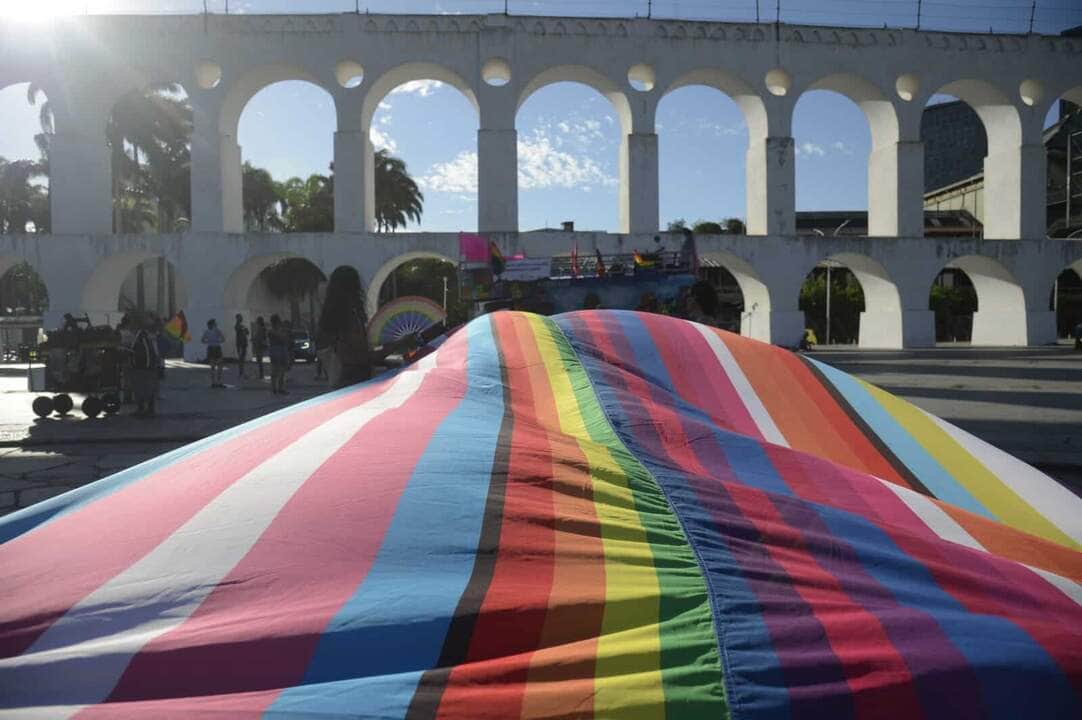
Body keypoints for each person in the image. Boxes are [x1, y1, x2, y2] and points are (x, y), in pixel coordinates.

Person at [317, 265, 414, 390]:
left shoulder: (333, 318)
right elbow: (365, 356)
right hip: (355, 379)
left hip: (343, 380)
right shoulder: (350, 317)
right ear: (354, 288)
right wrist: (399, 343)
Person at [129, 326, 160, 417]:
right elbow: (154, 355)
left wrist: (134, 365)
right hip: (149, 369)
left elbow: (135, 353)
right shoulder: (149, 341)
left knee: (141, 390)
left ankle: (142, 409)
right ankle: (149, 409)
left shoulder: (139, 341)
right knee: (148, 390)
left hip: (141, 369)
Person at [267, 314, 290, 395]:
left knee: (281, 370)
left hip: (280, 351)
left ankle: (279, 388)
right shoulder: (272, 331)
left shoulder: (278, 330)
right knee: (276, 370)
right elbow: (282, 338)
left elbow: (285, 339)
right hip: (276, 351)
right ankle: (275, 388)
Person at [201, 318, 226, 388]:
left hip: (210, 349)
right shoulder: (217, 331)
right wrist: (218, 342)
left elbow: (202, 340)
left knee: (212, 367)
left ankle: (213, 383)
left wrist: (209, 342)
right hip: (217, 348)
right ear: (213, 324)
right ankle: (219, 382)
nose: (216, 324)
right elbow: (223, 339)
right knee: (220, 366)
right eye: (215, 323)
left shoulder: (206, 332)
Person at [234, 313, 250, 378]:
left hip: (244, 344)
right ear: (237, 318)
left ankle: (242, 373)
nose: (241, 318)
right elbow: (239, 330)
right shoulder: (237, 325)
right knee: (241, 359)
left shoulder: (242, 325)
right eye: (240, 317)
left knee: (243, 359)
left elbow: (247, 332)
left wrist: (245, 330)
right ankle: (241, 373)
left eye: (241, 317)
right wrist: (244, 329)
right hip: (240, 344)